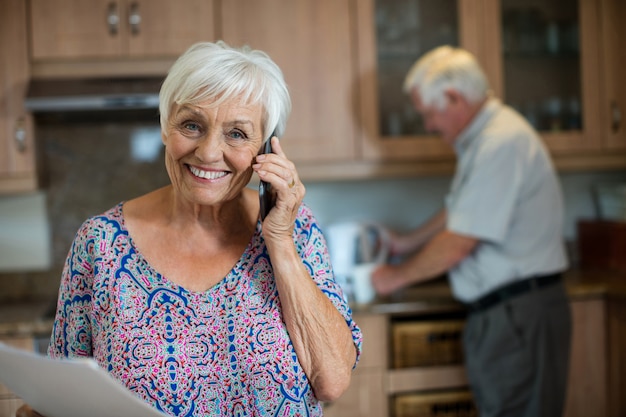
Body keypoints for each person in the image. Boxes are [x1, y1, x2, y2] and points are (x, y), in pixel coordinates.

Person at [17, 41, 361, 417]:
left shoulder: (296, 229)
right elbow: (59, 400)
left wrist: (279, 242)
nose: (209, 152)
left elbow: (331, 381)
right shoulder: (100, 244)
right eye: (192, 125)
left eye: (237, 134)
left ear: (265, 150)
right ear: (166, 127)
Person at [371, 46, 571, 417]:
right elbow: (460, 212)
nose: (429, 125)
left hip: (518, 314)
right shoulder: (484, 139)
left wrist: (393, 277)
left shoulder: (500, 142)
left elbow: (459, 243)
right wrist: (406, 242)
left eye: (429, 114)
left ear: (453, 97)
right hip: (509, 311)